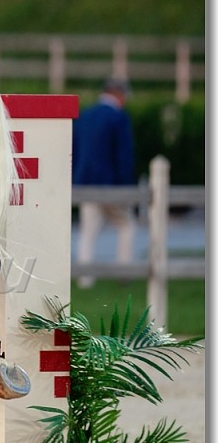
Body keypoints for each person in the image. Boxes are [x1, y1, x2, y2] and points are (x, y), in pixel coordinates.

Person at [72, 78, 137, 288]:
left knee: (88, 231)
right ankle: (124, 273)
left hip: (86, 184)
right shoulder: (118, 118)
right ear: (118, 93)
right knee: (126, 225)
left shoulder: (85, 115)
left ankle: (85, 279)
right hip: (111, 185)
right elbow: (123, 156)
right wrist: (128, 187)